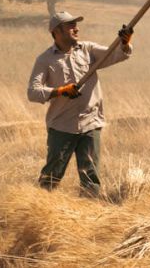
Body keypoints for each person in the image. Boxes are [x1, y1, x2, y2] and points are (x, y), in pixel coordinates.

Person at [27, 11, 134, 196]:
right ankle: (39, 211)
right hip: (62, 126)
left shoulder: (88, 50)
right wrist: (59, 91)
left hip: (90, 123)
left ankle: (89, 213)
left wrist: (125, 42)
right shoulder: (45, 59)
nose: (76, 28)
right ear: (56, 32)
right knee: (52, 176)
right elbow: (33, 92)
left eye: (75, 25)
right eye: (70, 26)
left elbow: (116, 55)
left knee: (90, 176)